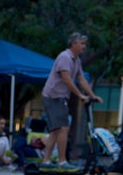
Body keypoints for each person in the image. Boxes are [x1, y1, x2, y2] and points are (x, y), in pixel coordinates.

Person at [40, 32, 102, 168]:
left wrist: (92, 95)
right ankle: (62, 161)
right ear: (73, 44)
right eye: (82, 43)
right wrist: (80, 95)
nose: (84, 47)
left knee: (56, 130)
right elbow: (66, 78)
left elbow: (81, 79)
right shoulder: (65, 57)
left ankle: (46, 161)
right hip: (54, 96)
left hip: (60, 96)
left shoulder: (76, 60)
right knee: (63, 128)